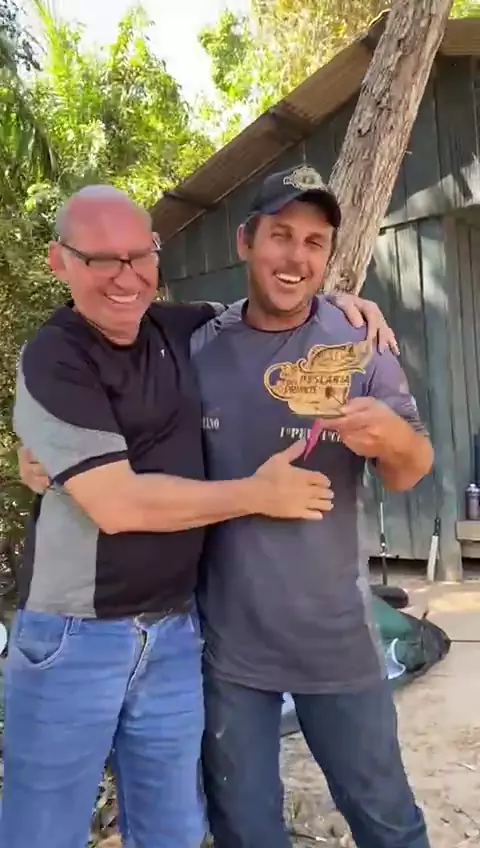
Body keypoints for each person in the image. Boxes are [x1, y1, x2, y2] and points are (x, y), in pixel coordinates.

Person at [10, 183, 393, 848]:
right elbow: (118, 504)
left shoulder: (175, 327)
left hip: (174, 634)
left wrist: (340, 303)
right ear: (59, 260)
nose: (125, 277)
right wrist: (257, 493)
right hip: (76, 635)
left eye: (140, 255)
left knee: (174, 830)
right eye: (101, 259)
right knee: (44, 831)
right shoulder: (54, 357)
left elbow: (269, 304)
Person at [190, 165, 433, 848]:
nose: (296, 256)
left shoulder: (360, 343)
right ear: (246, 241)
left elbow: (412, 471)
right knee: (245, 829)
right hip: (230, 648)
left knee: (387, 820)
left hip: (337, 639)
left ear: (328, 256)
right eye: (281, 235)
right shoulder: (200, 348)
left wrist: (391, 438)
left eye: (315, 242)